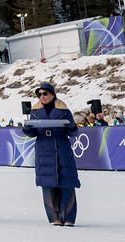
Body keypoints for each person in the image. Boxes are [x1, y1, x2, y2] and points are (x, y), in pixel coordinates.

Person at [22, 82, 80, 226]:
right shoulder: (35, 111)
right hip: (44, 149)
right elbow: (32, 133)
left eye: (45, 93)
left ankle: (68, 217)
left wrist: (71, 126)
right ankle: (54, 218)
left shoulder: (64, 110)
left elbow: (73, 133)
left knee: (67, 183)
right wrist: (27, 128)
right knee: (47, 185)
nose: (42, 96)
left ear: (52, 94)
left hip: (62, 148)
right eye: (39, 94)